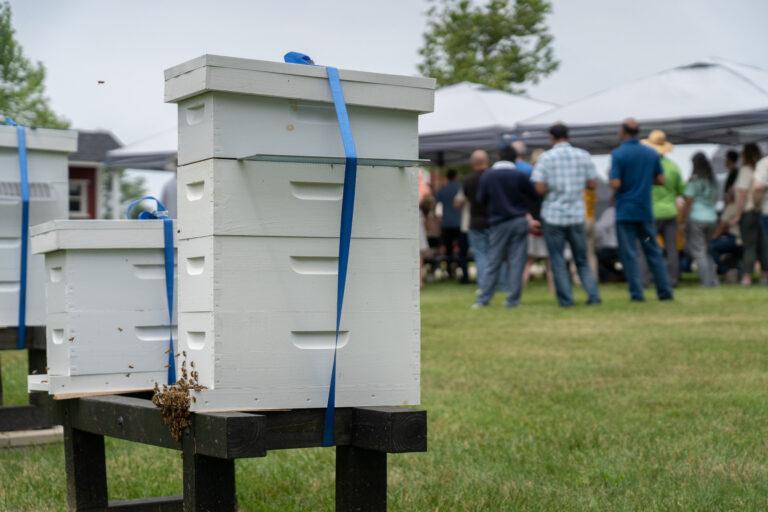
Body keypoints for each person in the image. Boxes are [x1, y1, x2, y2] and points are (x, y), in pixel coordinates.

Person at [531, 123, 601, 307]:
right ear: (568, 135)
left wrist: (552, 188)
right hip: (577, 213)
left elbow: (538, 187)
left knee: (557, 259)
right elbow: (593, 184)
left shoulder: (546, 158)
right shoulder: (583, 155)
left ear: (551, 137)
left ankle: (566, 300)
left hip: (553, 215)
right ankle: (593, 296)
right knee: (582, 259)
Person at [609, 118, 673, 302]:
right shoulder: (651, 153)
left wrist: (617, 183)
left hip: (625, 210)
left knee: (629, 253)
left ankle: (637, 293)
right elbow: (661, 180)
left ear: (623, 131)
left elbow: (616, 182)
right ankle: (664, 291)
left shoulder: (618, 154)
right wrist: (644, 181)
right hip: (644, 210)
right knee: (652, 250)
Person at [473, 145, 540, 308]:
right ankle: (513, 300)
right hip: (519, 221)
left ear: (497, 156)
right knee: (517, 261)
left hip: (498, 222)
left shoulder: (488, 176)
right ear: (515, 158)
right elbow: (534, 197)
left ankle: (483, 299)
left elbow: (480, 199)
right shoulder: (520, 175)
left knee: (493, 260)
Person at [459, 150, 509, 290]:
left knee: (481, 255)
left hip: (475, 221)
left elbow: (467, 199)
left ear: (471, 163)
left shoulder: (467, 180)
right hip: (495, 221)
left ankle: (485, 286)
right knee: (499, 254)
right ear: (487, 161)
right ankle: (503, 285)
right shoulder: (494, 177)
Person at [643, 130, 684, 287]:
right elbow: (681, 190)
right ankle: (673, 278)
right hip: (670, 213)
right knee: (672, 248)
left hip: (651, 212)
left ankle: (645, 278)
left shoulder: (646, 166)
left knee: (647, 245)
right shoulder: (673, 167)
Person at [731, 143, 767, 286]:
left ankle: (747, 277)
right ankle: (765, 275)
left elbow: (741, 194)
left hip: (748, 212)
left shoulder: (745, 170)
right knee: (763, 245)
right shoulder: (760, 168)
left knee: (749, 246)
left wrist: (738, 215)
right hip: (760, 211)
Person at [680, 153, 719, 287]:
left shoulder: (694, 181)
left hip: (697, 217)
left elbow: (688, 201)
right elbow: (715, 199)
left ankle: (706, 282)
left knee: (698, 251)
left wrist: (682, 220)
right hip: (712, 218)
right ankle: (713, 279)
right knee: (705, 250)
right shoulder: (713, 181)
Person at [435, 169, 469, 283]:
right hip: (460, 223)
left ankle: (449, 272)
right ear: (456, 176)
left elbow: (436, 198)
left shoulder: (443, 189)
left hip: (446, 223)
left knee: (448, 250)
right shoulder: (460, 187)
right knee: (462, 250)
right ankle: (461, 270)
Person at [594, 203, 622, 282]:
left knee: (599, 258)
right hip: (624, 248)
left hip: (611, 247)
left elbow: (599, 228)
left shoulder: (611, 211)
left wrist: (599, 243)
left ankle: (608, 278)